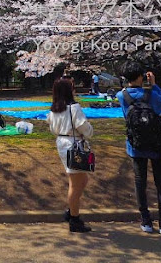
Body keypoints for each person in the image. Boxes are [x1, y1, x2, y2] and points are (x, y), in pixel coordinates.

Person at [117, 62, 161, 235]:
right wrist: (154, 85)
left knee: (140, 182)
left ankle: (146, 221)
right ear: (141, 76)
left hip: (136, 145)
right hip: (157, 146)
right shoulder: (149, 93)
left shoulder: (122, 95)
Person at [47, 77, 94, 233]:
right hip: (73, 144)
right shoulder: (74, 108)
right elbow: (82, 126)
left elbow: (52, 128)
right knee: (75, 183)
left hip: (62, 142)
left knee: (82, 179)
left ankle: (71, 210)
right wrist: (89, 132)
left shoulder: (54, 109)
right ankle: (74, 218)